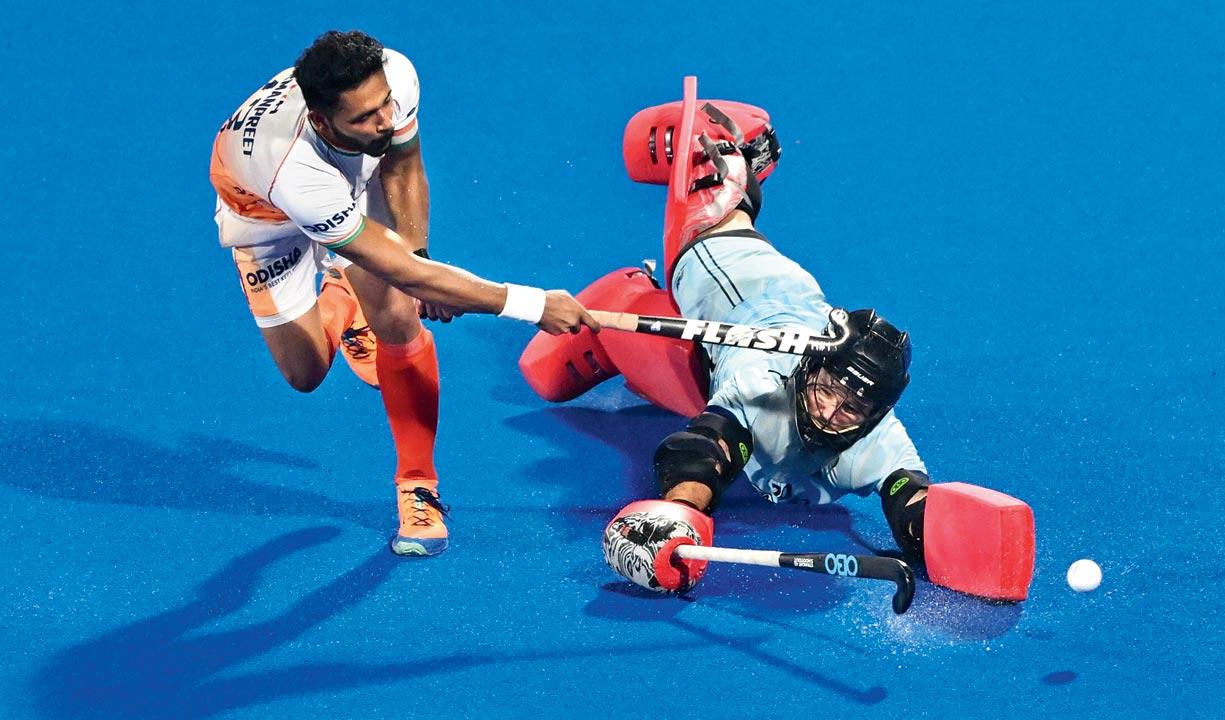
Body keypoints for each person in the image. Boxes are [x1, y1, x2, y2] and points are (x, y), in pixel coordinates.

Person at [517, 81, 1032, 600]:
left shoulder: (876, 435)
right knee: (692, 237)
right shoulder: (760, 379)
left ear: (875, 413)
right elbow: (706, 449)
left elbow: (908, 497)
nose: (832, 414)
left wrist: (935, 534)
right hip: (734, 281)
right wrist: (683, 513)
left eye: (853, 408)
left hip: (761, 324)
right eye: (829, 391)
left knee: (632, 380)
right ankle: (723, 166)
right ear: (811, 368)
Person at [210, 30, 598, 557]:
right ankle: (345, 299)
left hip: (349, 183)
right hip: (267, 224)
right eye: (365, 117)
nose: (385, 120)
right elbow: (402, 271)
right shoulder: (293, 170)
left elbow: (403, 164)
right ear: (322, 121)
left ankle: (418, 485)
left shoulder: (393, 75)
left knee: (395, 312)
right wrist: (533, 305)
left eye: (385, 104)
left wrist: (417, 259)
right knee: (306, 373)